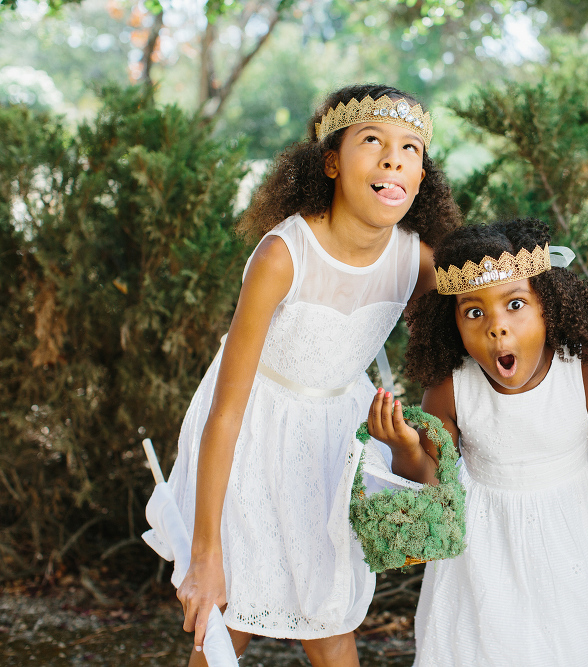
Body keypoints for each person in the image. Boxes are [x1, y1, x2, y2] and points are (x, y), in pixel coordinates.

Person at [167, 83, 462, 667]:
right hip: (250, 431)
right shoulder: (284, 254)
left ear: (421, 176)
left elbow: (466, 338)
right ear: (330, 161)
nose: (392, 159)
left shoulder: (417, 260)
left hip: (334, 439)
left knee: (329, 613)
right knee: (229, 613)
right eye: (372, 141)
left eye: (410, 150)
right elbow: (227, 409)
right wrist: (204, 555)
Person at [366, 218, 588, 666]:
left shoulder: (582, 370)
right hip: (482, 553)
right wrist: (405, 447)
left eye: (515, 304)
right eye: (474, 312)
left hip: (567, 545)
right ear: (454, 323)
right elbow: (432, 481)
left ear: (548, 305)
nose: (497, 327)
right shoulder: (451, 386)